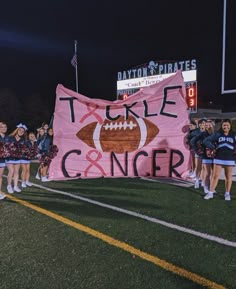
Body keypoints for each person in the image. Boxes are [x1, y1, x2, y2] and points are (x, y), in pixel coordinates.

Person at [203, 119, 236, 201]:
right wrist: (213, 147)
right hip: (218, 158)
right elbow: (206, 141)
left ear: (230, 126)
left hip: (230, 158)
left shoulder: (234, 135)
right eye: (224, 125)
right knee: (215, 176)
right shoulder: (218, 134)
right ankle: (210, 193)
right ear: (222, 126)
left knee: (228, 177)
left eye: (227, 125)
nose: (226, 127)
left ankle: (227, 193)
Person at [5, 123, 28, 193]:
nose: (21, 132)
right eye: (20, 130)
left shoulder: (23, 140)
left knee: (16, 172)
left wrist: (24, 151)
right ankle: (9, 185)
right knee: (11, 171)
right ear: (17, 130)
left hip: (18, 158)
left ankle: (15, 186)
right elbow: (6, 147)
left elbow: (24, 149)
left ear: (24, 133)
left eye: (22, 131)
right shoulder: (10, 137)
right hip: (9, 158)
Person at [0, 122, 10, 199]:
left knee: (0, 177)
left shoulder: (7, 137)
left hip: (3, 160)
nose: (4, 128)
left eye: (5, 127)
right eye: (2, 127)